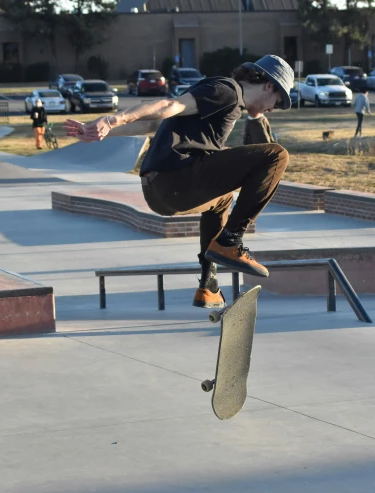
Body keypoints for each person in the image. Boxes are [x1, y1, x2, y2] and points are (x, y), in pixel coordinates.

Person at [63, 55, 294, 310]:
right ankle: (231, 241)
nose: (274, 108)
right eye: (279, 101)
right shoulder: (226, 91)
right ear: (268, 85)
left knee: (223, 199)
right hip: (176, 179)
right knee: (277, 155)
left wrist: (104, 131)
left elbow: (153, 123)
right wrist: (111, 119)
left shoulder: (222, 99)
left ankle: (209, 285)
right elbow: (168, 105)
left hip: (159, 190)